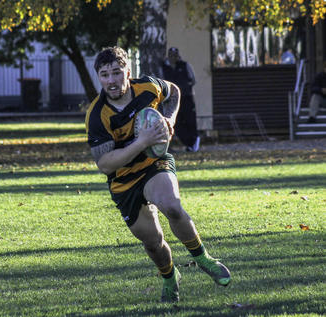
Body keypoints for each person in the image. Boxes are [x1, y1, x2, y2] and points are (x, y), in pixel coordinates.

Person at [85, 46, 231, 304]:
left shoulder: (147, 88)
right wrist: (142, 142)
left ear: (127, 72)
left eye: (117, 73)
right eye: (105, 74)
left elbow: (173, 91)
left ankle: (203, 258)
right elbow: (106, 165)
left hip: (155, 163)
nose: (111, 80)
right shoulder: (98, 115)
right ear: (99, 77)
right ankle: (169, 276)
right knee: (153, 242)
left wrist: (169, 119)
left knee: (172, 207)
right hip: (123, 182)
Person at [161, 47, 200, 152]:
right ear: (168, 56)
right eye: (171, 55)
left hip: (187, 98)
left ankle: (194, 143)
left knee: (190, 121)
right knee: (177, 123)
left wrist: (186, 88)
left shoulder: (185, 65)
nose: (173, 58)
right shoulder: (164, 68)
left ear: (178, 56)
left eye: (175, 55)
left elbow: (193, 80)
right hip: (173, 100)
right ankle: (188, 143)